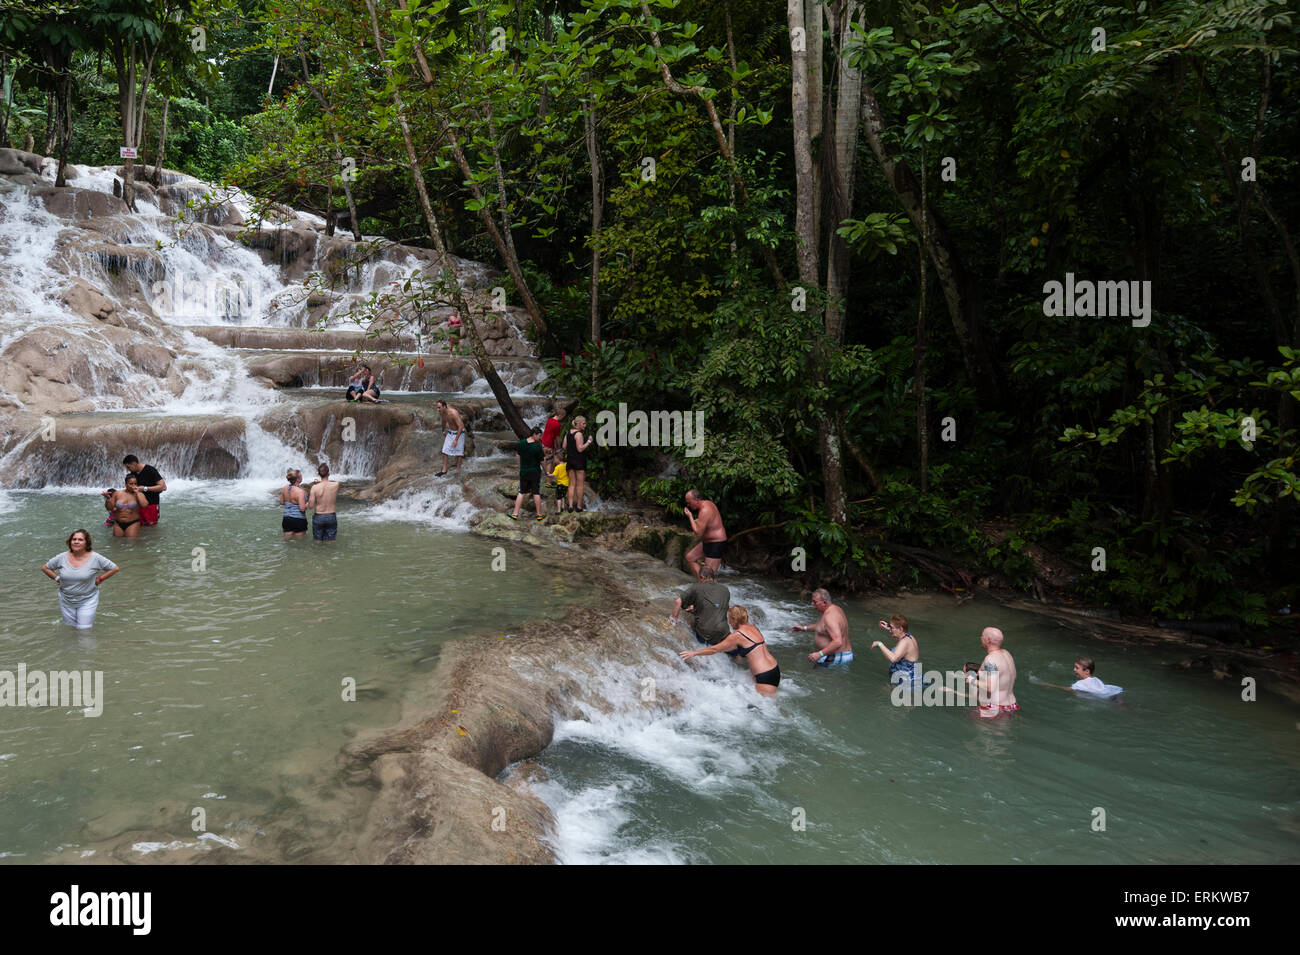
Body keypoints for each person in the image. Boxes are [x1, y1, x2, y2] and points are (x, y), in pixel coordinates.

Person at [679, 606, 780, 695]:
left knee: (763, 711)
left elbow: (715, 649)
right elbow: (750, 648)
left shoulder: (737, 635)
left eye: (729, 620)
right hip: (774, 669)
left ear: (734, 619)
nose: (729, 623)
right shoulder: (753, 628)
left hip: (763, 676)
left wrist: (693, 653)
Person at [42, 529, 120, 629]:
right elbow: (45, 568)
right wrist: (57, 578)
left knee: (84, 629)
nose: (76, 542)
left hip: (87, 599)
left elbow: (114, 568)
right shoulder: (61, 557)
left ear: (86, 543)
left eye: (80, 539)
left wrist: (99, 580)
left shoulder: (95, 558)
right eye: (74, 539)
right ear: (70, 542)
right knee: (70, 628)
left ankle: (87, 645)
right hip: (66, 599)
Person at [669, 564, 732, 650]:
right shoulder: (725, 589)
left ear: (702, 577)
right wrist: (695, 608)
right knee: (733, 652)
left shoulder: (696, 587)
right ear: (713, 577)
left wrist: (673, 619)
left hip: (705, 635)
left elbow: (678, 601)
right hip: (723, 632)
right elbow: (716, 606)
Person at [965, 627, 1019, 717]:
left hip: (994, 707)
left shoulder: (991, 659)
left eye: (982, 636)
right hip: (1011, 705)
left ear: (988, 640)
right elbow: (1014, 677)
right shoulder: (1007, 654)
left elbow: (990, 688)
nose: (981, 638)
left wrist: (971, 679)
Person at [793, 588, 854, 666]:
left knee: (815, 676)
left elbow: (838, 641)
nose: (812, 604)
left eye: (815, 602)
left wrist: (820, 654)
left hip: (835, 657)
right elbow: (822, 627)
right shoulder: (836, 609)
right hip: (841, 655)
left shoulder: (829, 617)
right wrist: (804, 628)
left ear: (824, 602)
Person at [683, 489, 727, 580]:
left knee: (709, 576)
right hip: (707, 542)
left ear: (697, 499)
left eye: (689, 502)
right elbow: (706, 523)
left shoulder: (705, 510)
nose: (688, 505)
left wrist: (690, 517)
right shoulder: (706, 504)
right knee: (690, 558)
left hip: (716, 543)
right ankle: (702, 583)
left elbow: (698, 533)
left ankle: (709, 587)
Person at [870, 613, 922, 687]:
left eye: (892, 627)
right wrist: (889, 627)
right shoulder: (909, 637)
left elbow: (893, 658)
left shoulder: (904, 642)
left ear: (900, 629)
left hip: (908, 679)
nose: (891, 629)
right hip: (913, 674)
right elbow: (899, 637)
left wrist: (880, 644)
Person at [511, 427, 546, 521]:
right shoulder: (537, 446)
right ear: (534, 434)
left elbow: (518, 455)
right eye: (539, 435)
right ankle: (539, 515)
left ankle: (515, 514)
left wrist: (520, 467)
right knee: (536, 492)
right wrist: (546, 471)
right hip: (535, 472)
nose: (540, 437)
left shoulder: (522, 443)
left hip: (524, 471)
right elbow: (542, 461)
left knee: (521, 492)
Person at [122, 455, 165, 525]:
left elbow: (163, 487)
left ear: (134, 463)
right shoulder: (132, 474)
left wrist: (145, 488)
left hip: (151, 505)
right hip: (137, 506)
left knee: (151, 529)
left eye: (128, 467)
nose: (128, 469)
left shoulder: (150, 470)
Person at [565, 416, 592, 511]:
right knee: (580, 485)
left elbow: (564, 446)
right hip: (579, 461)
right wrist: (588, 442)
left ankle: (570, 506)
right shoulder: (579, 434)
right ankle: (579, 506)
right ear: (579, 424)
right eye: (584, 423)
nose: (585, 425)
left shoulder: (568, 433)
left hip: (570, 460)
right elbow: (580, 449)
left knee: (571, 484)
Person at [306, 463, 340, 541]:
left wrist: (319, 483)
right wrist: (322, 481)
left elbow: (310, 506)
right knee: (331, 541)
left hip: (319, 516)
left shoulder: (314, 488)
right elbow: (329, 483)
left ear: (318, 474)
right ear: (329, 473)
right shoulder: (336, 485)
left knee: (317, 541)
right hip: (331, 516)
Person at [436, 399, 466, 476]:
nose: (438, 409)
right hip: (450, 432)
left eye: (439, 407)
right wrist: (443, 430)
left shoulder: (453, 413)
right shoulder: (442, 413)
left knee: (459, 453)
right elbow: (443, 421)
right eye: (437, 408)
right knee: (445, 451)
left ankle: (457, 471)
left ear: (444, 406)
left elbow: (461, 426)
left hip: (459, 433)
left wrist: (456, 439)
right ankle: (444, 470)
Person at [281, 468, 309, 540]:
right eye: (301, 476)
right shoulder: (300, 492)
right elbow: (302, 509)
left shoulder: (284, 488)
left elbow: (281, 502)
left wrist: (290, 504)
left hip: (287, 518)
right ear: (298, 479)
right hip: (298, 519)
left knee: (287, 541)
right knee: (299, 543)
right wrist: (309, 503)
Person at [542, 406, 567, 472]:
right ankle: (549, 481)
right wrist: (559, 447)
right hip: (549, 444)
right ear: (560, 415)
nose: (563, 418)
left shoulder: (549, 420)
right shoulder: (557, 424)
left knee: (547, 460)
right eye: (563, 416)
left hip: (543, 442)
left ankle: (548, 475)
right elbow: (557, 437)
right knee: (550, 462)